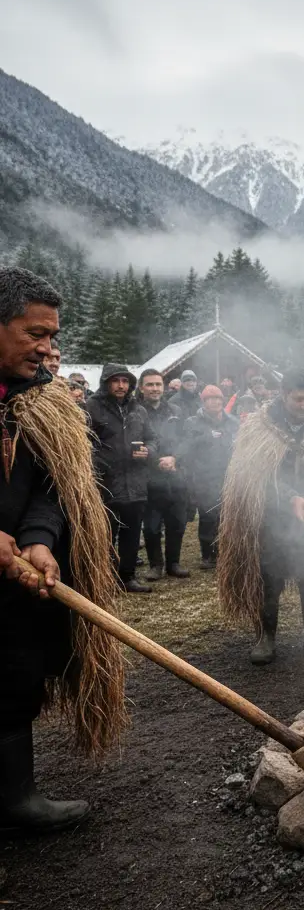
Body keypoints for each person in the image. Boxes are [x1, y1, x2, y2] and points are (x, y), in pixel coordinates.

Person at [0, 267, 127, 833]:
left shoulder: (37, 402)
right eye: (35, 334)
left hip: (15, 579)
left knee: (15, 676)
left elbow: (55, 486)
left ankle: (17, 799)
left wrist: (38, 539)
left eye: (53, 336)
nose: (49, 350)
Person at [218, 368, 304, 665]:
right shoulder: (261, 427)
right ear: (284, 395)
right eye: (299, 400)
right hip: (270, 519)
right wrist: (290, 497)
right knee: (268, 576)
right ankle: (266, 637)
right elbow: (254, 477)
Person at [85, 364, 157, 593]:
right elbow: (83, 442)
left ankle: (127, 578)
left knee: (132, 533)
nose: (121, 385)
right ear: (106, 382)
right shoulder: (92, 407)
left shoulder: (139, 409)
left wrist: (149, 451)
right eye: (116, 380)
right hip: (106, 483)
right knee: (105, 535)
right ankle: (104, 579)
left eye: (125, 381)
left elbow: (153, 439)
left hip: (135, 484)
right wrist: (99, 464)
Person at [136, 369, 189, 581]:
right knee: (151, 525)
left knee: (177, 522)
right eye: (149, 385)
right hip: (149, 475)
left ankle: (173, 563)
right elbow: (136, 442)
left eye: (158, 384)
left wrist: (175, 458)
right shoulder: (136, 411)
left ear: (164, 386)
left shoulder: (176, 410)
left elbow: (187, 439)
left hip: (176, 474)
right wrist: (157, 460)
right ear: (141, 388)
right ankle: (155, 565)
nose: (155, 388)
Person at [180, 385, 239, 568]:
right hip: (203, 476)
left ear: (223, 400)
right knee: (207, 515)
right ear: (203, 401)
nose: (215, 402)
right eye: (210, 399)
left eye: (218, 398)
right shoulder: (193, 422)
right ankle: (208, 554)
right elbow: (187, 446)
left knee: (226, 515)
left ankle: (226, 552)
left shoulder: (232, 422)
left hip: (228, 475)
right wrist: (207, 437)